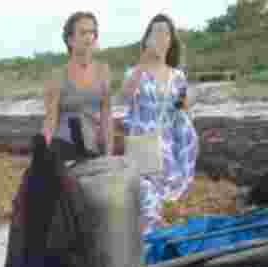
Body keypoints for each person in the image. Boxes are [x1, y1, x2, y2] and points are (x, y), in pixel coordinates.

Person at [121, 13, 199, 232]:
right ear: (146, 39)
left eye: (165, 31)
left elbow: (183, 112)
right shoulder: (135, 73)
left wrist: (185, 105)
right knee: (146, 196)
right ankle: (148, 245)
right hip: (143, 146)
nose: (159, 36)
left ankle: (155, 245)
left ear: (171, 39)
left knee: (161, 204)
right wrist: (143, 62)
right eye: (154, 31)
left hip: (169, 150)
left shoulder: (178, 76)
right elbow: (125, 95)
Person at [42, 12, 112, 161]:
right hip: (63, 145)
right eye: (83, 32)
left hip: (91, 146)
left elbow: (106, 115)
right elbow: (50, 120)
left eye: (92, 32)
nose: (89, 37)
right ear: (70, 40)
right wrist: (42, 153)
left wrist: (109, 153)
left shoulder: (103, 70)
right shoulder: (58, 75)